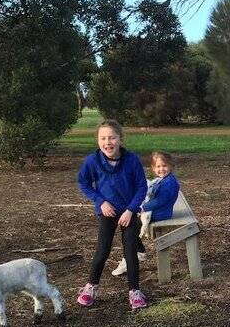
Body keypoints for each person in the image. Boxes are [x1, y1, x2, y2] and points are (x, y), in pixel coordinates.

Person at [76, 120, 148, 310]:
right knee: (102, 250)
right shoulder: (92, 161)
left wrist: (131, 209)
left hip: (129, 212)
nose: (107, 142)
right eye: (103, 138)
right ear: (98, 141)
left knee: (130, 252)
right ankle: (91, 286)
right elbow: (83, 182)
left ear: (120, 139)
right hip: (107, 211)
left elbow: (142, 187)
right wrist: (101, 201)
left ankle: (135, 291)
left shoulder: (132, 160)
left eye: (112, 138)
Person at [112, 151, 180, 276]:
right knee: (129, 226)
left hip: (160, 213)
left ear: (171, 166)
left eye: (164, 166)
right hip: (159, 211)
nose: (161, 169)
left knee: (130, 227)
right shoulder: (162, 180)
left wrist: (143, 207)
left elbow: (160, 200)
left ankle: (130, 258)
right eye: (158, 166)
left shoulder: (169, 182)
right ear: (153, 168)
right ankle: (138, 252)